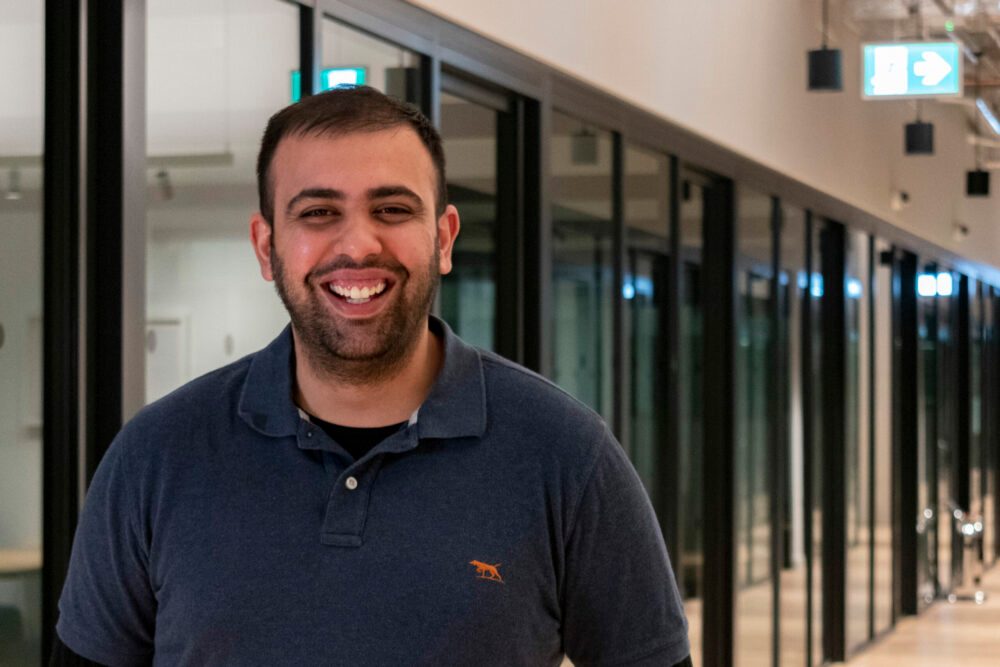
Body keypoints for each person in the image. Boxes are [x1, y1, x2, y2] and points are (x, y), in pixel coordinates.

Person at [53, 86, 691, 666]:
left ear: (443, 238)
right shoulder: (155, 457)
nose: (358, 245)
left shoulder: (565, 454)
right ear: (266, 246)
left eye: (391, 209)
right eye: (318, 213)